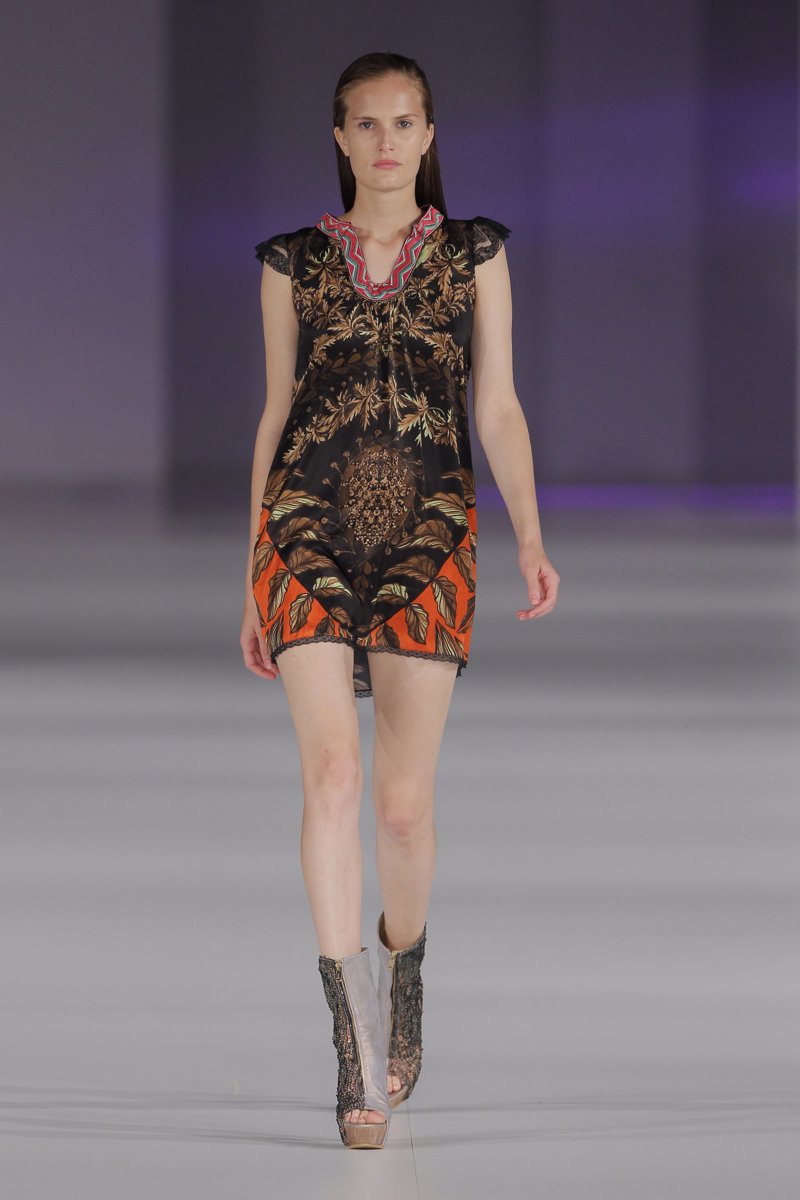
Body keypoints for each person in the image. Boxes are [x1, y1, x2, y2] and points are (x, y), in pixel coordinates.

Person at [240, 51, 559, 1149]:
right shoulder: (291, 263)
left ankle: (403, 960)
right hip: (304, 531)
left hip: (431, 535)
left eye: (404, 121)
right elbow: (276, 412)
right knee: (330, 776)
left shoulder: (474, 255)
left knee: (401, 808)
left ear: (429, 135)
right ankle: (356, 1050)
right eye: (366, 124)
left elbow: (498, 405)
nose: (386, 141)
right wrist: (251, 569)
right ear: (338, 138)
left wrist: (529, 534)